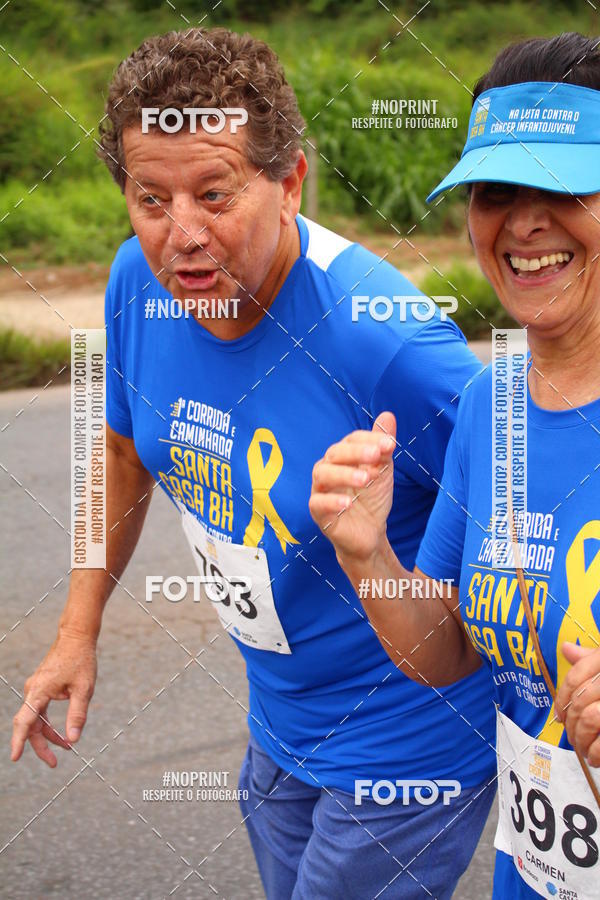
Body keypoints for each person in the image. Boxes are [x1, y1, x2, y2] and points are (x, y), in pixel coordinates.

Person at [10, 27, 497, 899]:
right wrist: (76, 632)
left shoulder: (386, 342)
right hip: (278, 723)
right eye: (151, 199)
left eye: (215, 193)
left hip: (408, 743)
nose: (181, 235)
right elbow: (125, 449)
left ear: (291, 180)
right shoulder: (138, 286)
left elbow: (533, 494)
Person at [310, 31, 600, 900]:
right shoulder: (492, 404)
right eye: (495, 190)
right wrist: (370, 557)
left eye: (560, 186)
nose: (523, 222)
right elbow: (449, 651)